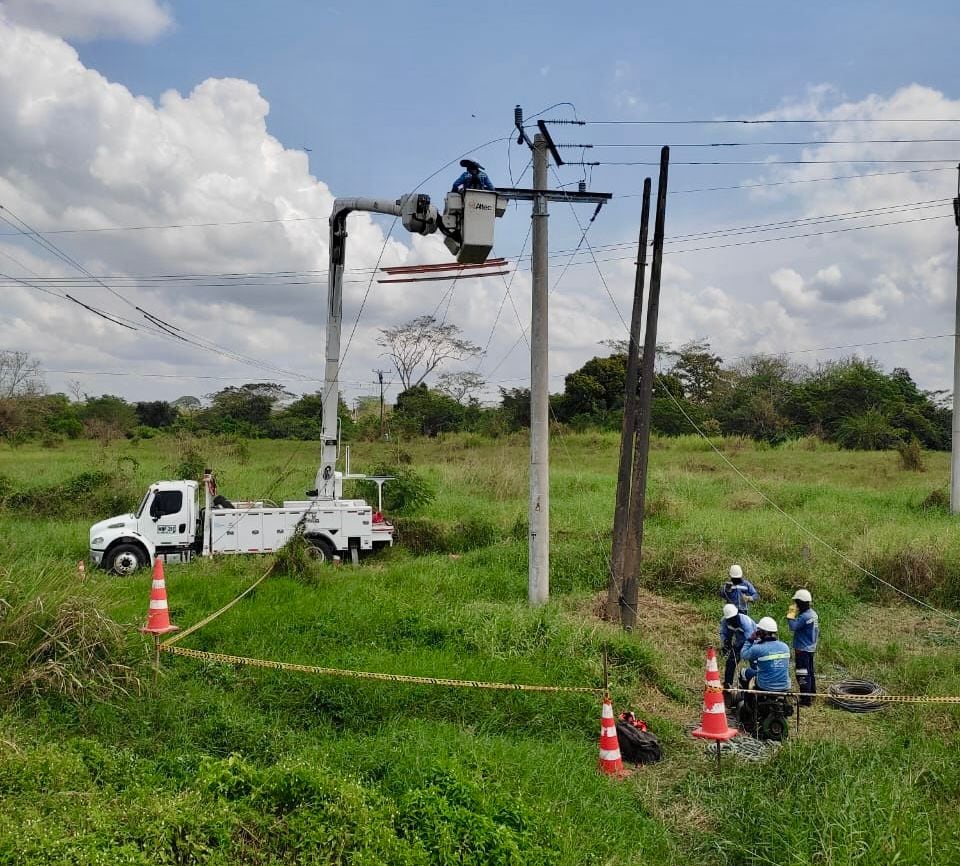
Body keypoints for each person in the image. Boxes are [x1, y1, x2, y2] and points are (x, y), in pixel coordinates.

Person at [739, 617, 791, 693]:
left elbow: (743, 654)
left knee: (743, 672)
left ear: (761, 633)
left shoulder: (758, 648)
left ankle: (749, 697)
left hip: (764, 686)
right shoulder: (785, 647)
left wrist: (751, 639)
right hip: (785, 686)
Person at [787, 588, 819, 706]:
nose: (796, 605)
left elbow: (793, 627)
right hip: (810, 648)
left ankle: (805, 700)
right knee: (809, 672)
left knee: (802, 673)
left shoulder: (805, 616)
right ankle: (812, 694)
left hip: (802, 649)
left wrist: (790, 614)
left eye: (797, 602)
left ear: (801, 602)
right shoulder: (813, 614)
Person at [719, 603, 756, 692]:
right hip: (739, 641)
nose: (733, 620)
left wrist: (744, 651)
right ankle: (728, 684)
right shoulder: (725, 621)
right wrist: (726, 642)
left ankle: (755, 682)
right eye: (730, 619)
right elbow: (723, 633)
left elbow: (750, 639)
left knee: (754, 662)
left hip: (753, 641)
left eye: (734, 618)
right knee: (731, 661)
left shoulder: (745, 622)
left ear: (737, 614)